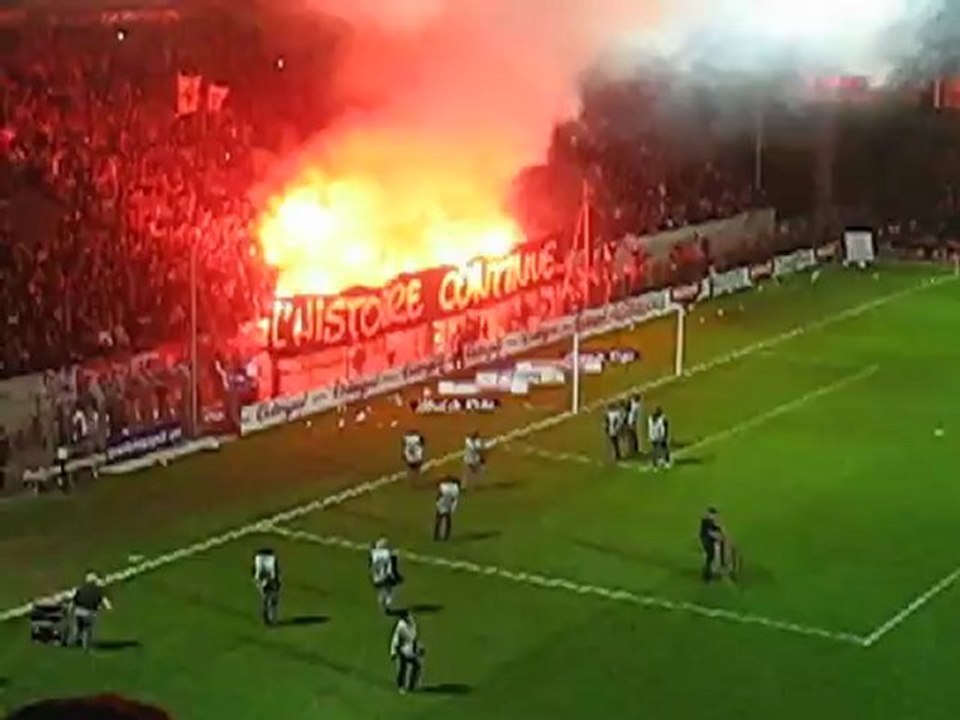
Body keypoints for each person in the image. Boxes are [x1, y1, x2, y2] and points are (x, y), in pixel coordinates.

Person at [71, 572, 113, 650]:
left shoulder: (81, 588)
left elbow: (74, 599)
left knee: (77, 626)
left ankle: (75, 638)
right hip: (90, 612)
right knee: (87, 628)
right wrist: (108, 607)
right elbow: (104, 600)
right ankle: (85, 644)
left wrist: (70, 608)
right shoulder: (98, 590)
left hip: (79, 611)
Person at [390, 609, 423, 693]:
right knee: (402, 668)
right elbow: (395, 639)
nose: (409, 616)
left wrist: (418, 647)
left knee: (417, 666)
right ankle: (401, 686)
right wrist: (393, 652)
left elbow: (415, 636)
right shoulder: (401, 626)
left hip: (411, 649)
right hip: (402, 650)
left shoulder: (412, 622)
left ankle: (411, 685)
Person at [370, 538, 402, 612]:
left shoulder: (374, 553)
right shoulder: (386, 553)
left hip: (376, 577)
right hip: (385, 576)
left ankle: (384, 603)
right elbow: (390, 561)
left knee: (383, 590)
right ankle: (387, 601)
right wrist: (395, 553)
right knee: (390, 586)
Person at [253, 548, 281, 626]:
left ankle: (269, 617)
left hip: (264, 558)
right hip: (265, 559)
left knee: (268, 599)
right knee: (268, 599)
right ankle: (270, 617)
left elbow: (258, 577)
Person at [699, 508, 724, 582]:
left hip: (708, 540)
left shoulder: (710, 521)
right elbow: (710, 532)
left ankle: (708, 573)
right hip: (706, 540)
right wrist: (718, 537)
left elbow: (715, 528)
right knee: (710, 556)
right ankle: (706, 575)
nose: (715, 516)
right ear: (710, 514)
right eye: (714, 515)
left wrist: (720, 530)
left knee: (710, 557)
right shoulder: (706, 521)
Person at [434, 476, 461, 541]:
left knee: (439, 520)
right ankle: (446, 537)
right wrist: (452, 508)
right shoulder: (455, 488)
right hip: (448, 504)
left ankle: (436, 536)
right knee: (447, 521)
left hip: (442, 503)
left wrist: (437, 502)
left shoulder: (444, 486)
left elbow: (439, 495)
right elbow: (454, 499)